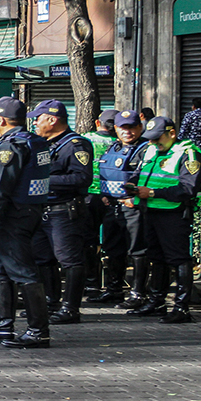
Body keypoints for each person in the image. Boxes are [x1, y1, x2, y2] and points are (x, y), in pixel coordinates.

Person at [0, 96, 52, 348]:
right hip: (29, 211)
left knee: (21, 270)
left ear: (1, 119)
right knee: (1, 270)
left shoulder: (11, 146)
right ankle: (2, 325)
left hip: (12, 215)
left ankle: (38, 330)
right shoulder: (35, 141)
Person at [126, 116, 201, 323]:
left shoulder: (189, 154)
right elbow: (139, 174)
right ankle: (156, 301)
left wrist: (152, 193)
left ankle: (181, 307)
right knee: (156, 257)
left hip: (173, 213)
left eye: (157, 138)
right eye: (150, 138)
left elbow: (188, 188)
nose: (153, 142)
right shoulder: (151, 150)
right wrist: (131, 187)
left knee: (178, 258)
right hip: (149, 211)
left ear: (172, 134)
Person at [27, 100, 95, 325]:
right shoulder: (44, 143)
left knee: (69, 260)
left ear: (52, 119)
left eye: (39, 118)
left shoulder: (75, 145)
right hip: (42, 210)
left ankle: (71, 307)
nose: (35, 122)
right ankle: (50, 301)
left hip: (63, 210)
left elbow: (81, 177)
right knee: (43, 258)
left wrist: (44, 181)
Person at [94, 110, 151, 307]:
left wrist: (132, 198)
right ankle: (114, 289)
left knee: (137, 251)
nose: (127, 132)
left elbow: (143, 177)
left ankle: (137, 293)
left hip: (134, 207)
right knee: (113, 249)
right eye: (123, 128)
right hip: (112, 206)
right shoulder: (113, 147)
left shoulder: (146, 149)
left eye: (132, 127)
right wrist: (103, 195)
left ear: (140, 127)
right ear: (116, 128)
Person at [81, 110, 118, 300]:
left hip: (89, 196)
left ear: (97, 123)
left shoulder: (85, 139)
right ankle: (114, 286)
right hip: (113, 197)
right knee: (114, 243)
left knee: (89, 241)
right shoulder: (121, 143)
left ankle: (91, 284)